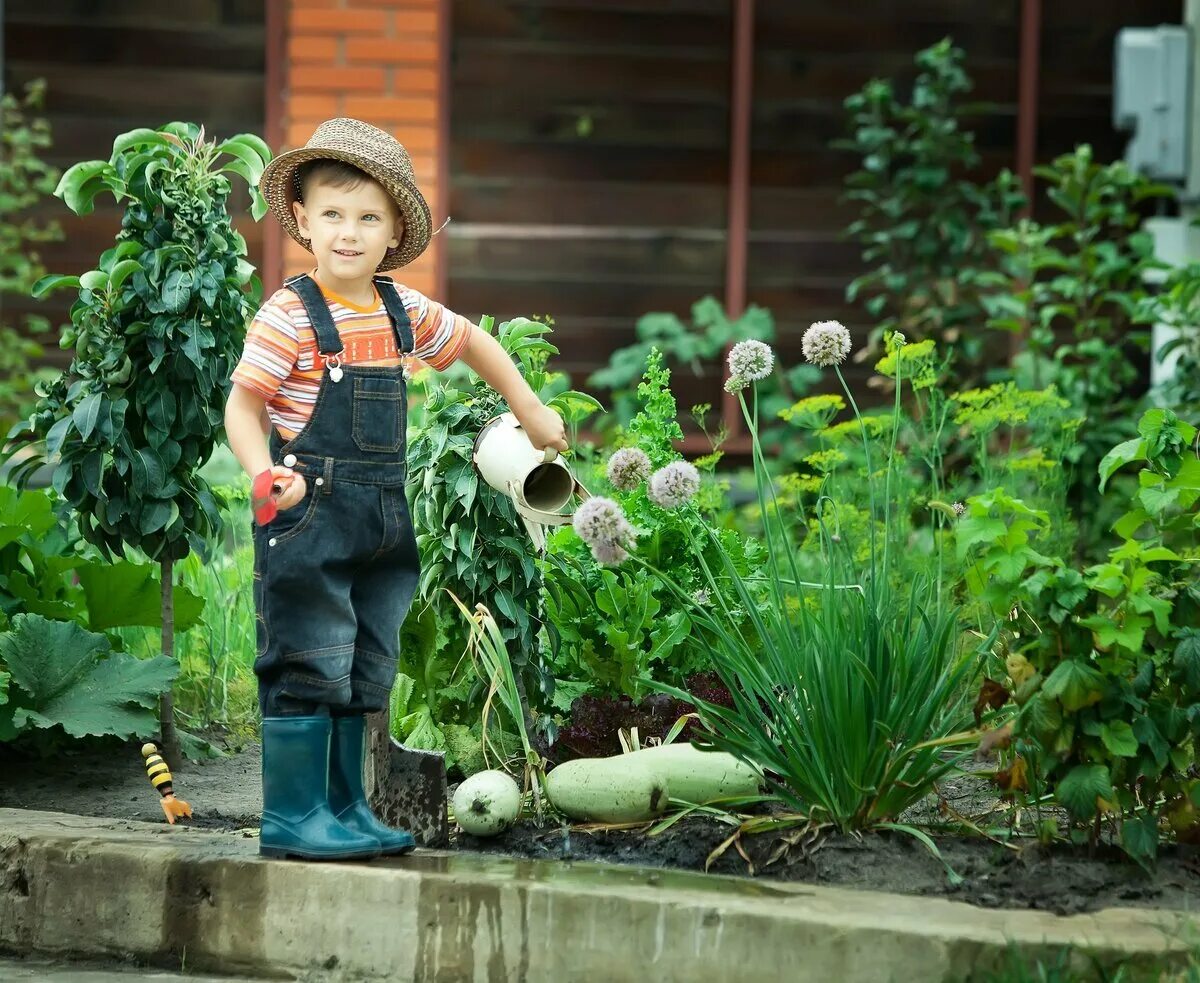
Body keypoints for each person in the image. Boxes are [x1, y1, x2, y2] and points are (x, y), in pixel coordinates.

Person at [224, 118, 566, 860]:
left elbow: (473, 339)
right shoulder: (289, 316)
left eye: (368, 217)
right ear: (305, 222)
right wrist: (261, 473)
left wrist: (529, 405)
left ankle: (345, 806)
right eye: (334, 215)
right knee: (307, 656)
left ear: (393, 231)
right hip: (306, 512)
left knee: (364, 662)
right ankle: (293, 813)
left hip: (380, 520)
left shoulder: (399, 310)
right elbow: (243, 406)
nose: (349, 232)